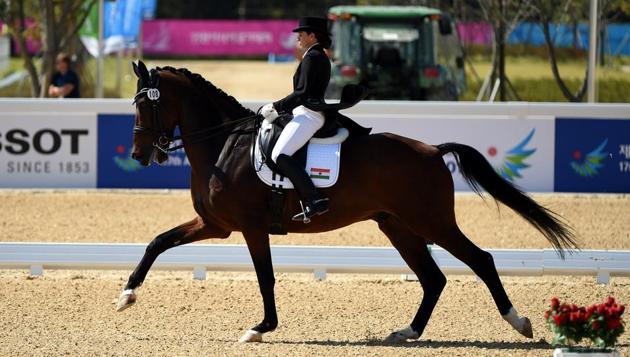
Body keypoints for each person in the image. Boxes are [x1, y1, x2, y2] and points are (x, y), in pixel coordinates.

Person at [260, 16, 333, 223]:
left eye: (302, 33)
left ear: (312, 36)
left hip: (309, 114)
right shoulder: (315, 55)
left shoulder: (314, 57)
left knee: (280, 154)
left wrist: (276, 106)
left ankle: (312, 200)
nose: (298, 37)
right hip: (304, 112)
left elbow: (302, 93)